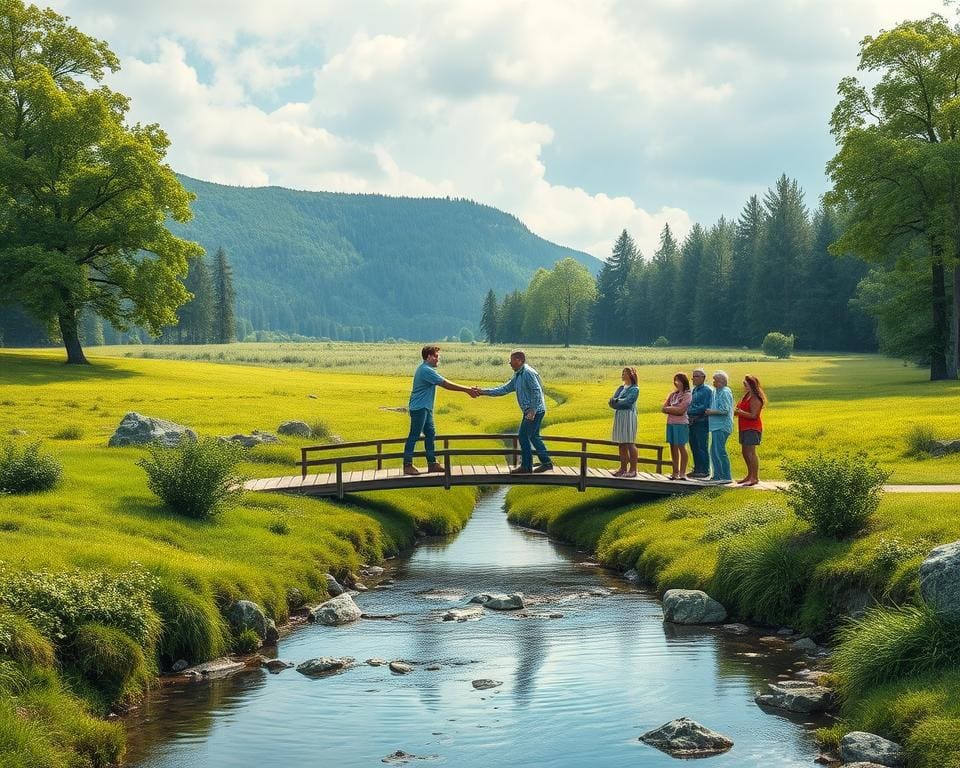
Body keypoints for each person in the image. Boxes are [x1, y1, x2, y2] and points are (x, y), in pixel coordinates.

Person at [403, 345, 478, 476]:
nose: (438, 359)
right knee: (414, 435)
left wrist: (467, 390)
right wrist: (467, 390)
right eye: (436, 356)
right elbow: (445, 384)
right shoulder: (426, 370)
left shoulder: (426, 369)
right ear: (428, 357)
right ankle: (407, 465)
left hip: (425, 408)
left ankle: (432, 464)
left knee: (430, 434)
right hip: (419, 408)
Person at [475, 349, 553, 474]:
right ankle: (546, 463)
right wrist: (483, 391)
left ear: (519, 360)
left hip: (534, 411)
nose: (510, 363)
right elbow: (504, 389)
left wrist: (532, 411)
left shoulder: (527, 372)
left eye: (511, 361)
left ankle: (526, 466)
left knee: (523, 436)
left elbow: (536, 391)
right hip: (532, 411)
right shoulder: (518, 374)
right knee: (533, 436)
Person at [735, 374, 766, 486]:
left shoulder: (755, 398)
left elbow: (754, 415)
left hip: (752, 428)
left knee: (751, 453)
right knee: (744, 452)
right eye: (744, 385)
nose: (745, 387)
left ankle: (754, 477)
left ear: (752, 385)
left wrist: (740, 412)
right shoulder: (746, 396)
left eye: (747, 385)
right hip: (744, 427)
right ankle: (749, 475)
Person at [704, 370, 734, 483]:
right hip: (716, 426)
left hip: (722, 426)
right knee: (713, 451)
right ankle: (717, 475)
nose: (713, 382)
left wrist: (711, 412)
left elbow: (725, 410)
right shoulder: (718, 391)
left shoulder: (725, 392)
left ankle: (726, 477)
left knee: (719, 451)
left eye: (715, 380)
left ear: (721, 381)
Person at [608, 367, 639, 477]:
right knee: (621, 444)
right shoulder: (621, 388)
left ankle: (633, 470)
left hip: (628, 416)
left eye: (625, 373)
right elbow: (611, 401)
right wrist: (616, 402)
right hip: (620, 416)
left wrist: (617, 402)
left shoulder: (635, 389)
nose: (623, 375)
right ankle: (623, 468)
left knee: (629, 443)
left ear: (631, 375)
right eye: (622, 373)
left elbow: (628, 402)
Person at [661, 372, 692, 480]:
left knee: (681, 447)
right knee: (672, 447)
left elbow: (681, 411)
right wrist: (671, 409)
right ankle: (675, 472)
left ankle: (683, 473)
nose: (676, 383)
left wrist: (669, 409)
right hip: (671, 423)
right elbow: (663, 408)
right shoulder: (673, 395)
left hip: (681, 424)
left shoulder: (687, 395)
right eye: (675, 380)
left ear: (684, 382)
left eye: (678, 380)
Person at [687, 368, 712, 478]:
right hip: (692, 421)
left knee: (701, 445)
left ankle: (704, 470)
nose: (693, 378)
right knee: (694, 445)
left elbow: (704, 407)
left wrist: (687, 411)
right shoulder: (695, 390)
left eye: (696, 376)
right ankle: (697, 468)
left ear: (703, 378)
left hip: (701, 422)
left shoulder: (707, 390)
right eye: (693, 376)